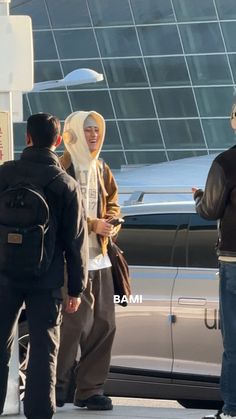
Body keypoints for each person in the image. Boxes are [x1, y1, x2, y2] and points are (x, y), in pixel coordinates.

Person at [0, 113, 88, 419]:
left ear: (27, 138)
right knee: (43, 350)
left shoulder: (5, 174)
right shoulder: (66, 184)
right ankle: (38, 413)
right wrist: (76, 288)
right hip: (46, 279)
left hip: (4, 276)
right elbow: (75, 244)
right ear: (58, 141)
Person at [56, 110, 121, 411]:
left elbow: (115, 201)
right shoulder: (61, 166)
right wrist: (93, 224)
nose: (94, 136)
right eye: (87, 130)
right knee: (71, 328)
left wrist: (111, 221)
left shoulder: (102, 167)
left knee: (104, 326)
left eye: (97, 130)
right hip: (71, 262)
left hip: (100, 259)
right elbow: (58, 214)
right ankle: (55, 387)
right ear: (72, 133)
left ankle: (90, 390)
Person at [193, 106, 236, 419]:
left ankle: (233, 408)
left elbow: (210, 209)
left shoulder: (226, 162)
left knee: (234, 341)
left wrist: (199, 197)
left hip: (234, 261)